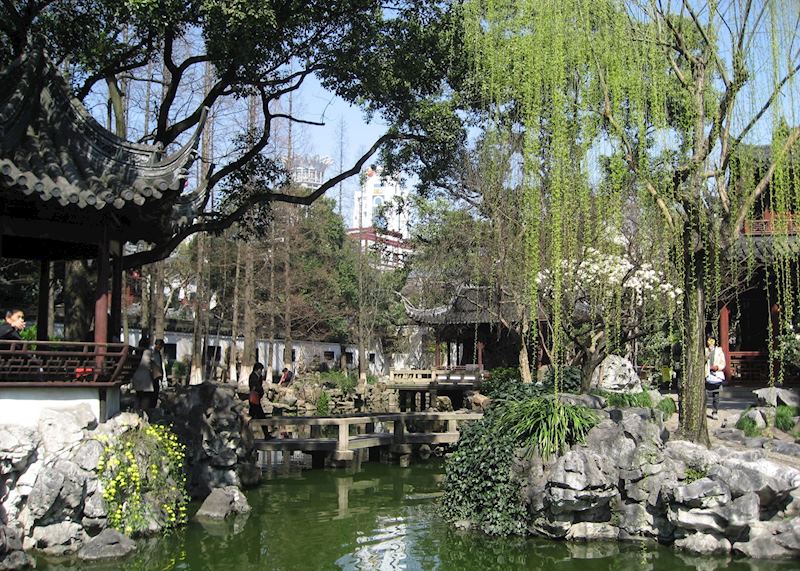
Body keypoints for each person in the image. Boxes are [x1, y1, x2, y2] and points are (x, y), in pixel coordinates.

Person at [704, 336, 726, 420]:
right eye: (709, 341)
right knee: (705, 395)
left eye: (712, 341)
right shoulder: (705, 350)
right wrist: (708, 353)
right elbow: (703, 360)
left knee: (716, 395)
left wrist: (717, 367)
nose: (711, 342)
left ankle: (715, 411)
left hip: (716, 375)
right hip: (707, 374)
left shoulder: (719, 351)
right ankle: (703, 411)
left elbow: (723, 363)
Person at [132, 336, 155, 410]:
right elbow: (152, 364)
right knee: (146, 396)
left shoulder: (136, 351)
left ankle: (136, 410)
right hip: (145, 377)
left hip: (136, 376)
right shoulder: (148, 352)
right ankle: (144, 411)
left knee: (138, 395)